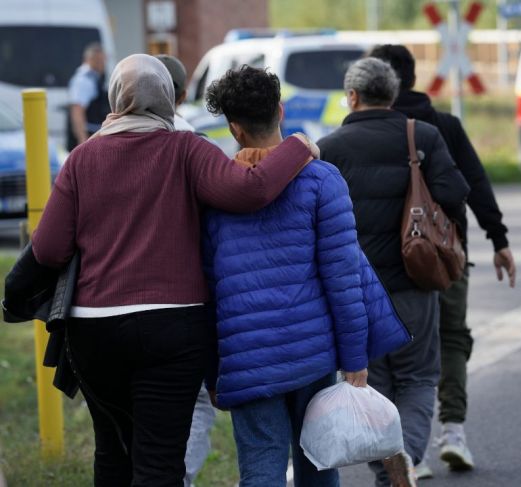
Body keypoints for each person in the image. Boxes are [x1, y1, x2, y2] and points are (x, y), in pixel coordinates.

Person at [31, 53, 317, 487]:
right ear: (168, 99)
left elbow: (49, 249)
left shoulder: (81, 159)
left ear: (115, 98)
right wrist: (299, 146)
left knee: (112, 448)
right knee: (160, 460)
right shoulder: (187, 150)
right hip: (172, 330)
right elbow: (251, 190)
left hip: (93, 334)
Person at [201, 65, 410, 487]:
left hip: (246, 357)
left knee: (261, 469)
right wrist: (355, 358)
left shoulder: (214, 192)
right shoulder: (320, 180)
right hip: (313, 354)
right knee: (317, 464)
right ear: (280, 110)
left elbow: (206, 285)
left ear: (234, 128)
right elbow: (343, 277)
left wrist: (213, 371)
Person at [318, 58, 469, 487]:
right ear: (393, 95)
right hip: (414, 283)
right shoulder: (422, 137)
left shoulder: (330, 148)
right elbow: (456, 195)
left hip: (357, 292)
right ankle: (407, 453)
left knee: (372, 384)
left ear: (352, 97)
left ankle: (387, 465)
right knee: (420, 376)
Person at [368, 44, 517, 474]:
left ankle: (408, 452)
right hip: (445, 257)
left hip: (387, 265)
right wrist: (498, 239)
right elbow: (475, 184)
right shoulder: (444, 125)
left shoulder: (372, 131)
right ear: (412, 78)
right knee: (451, 337)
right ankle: (453, 431)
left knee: (396, 353)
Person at [155, 53, 216, 487]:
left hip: (109, 305)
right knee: (194, 403)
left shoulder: (100, 143)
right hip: (183, 296)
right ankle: (177, 478)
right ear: (179, 95)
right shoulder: (192, 142)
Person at [66, 42, 111, 151]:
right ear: (93, 59)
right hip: (88, 137)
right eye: (101, 61)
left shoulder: (94, 78)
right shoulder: (84, 80)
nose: (103, 64)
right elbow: (77, 110)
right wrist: (83, 141)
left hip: (94, 135)